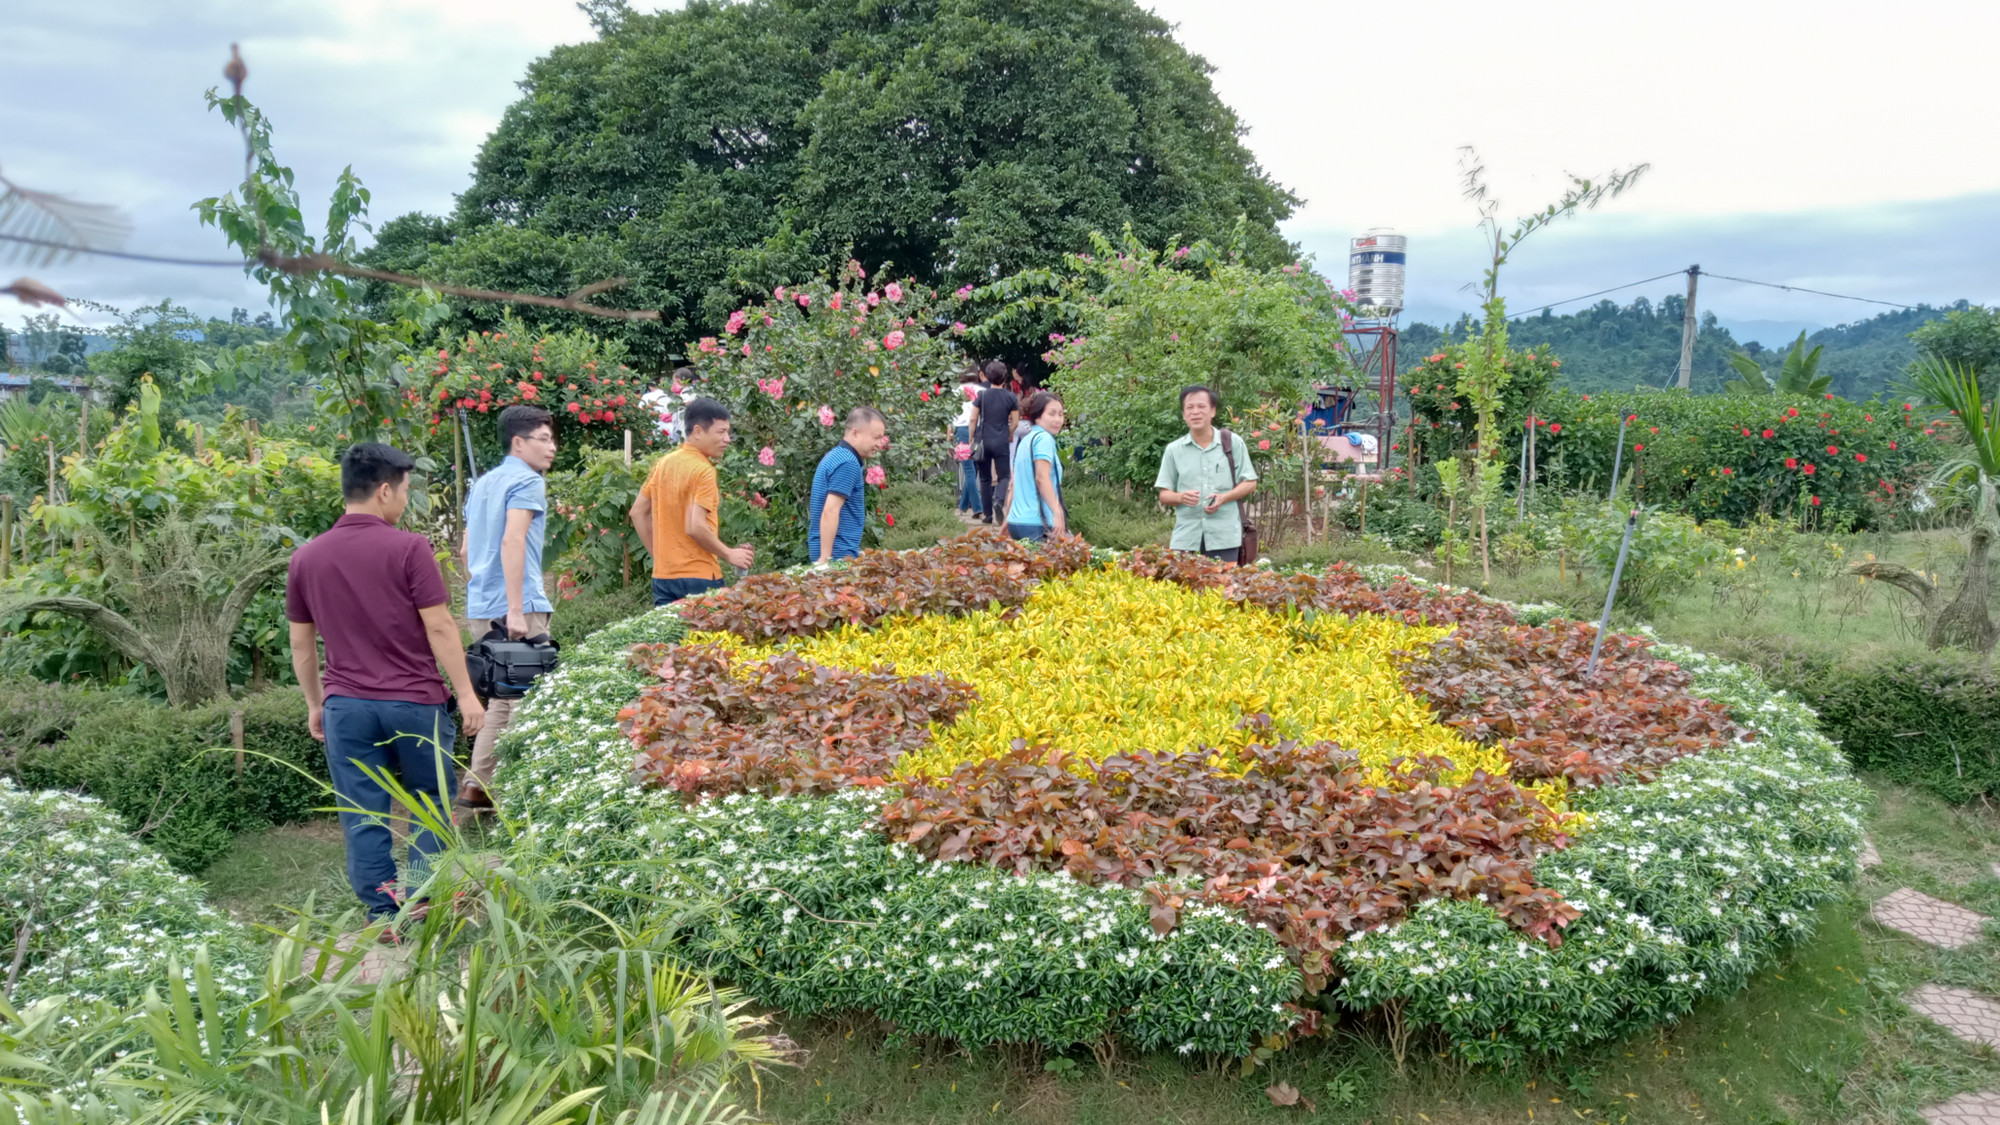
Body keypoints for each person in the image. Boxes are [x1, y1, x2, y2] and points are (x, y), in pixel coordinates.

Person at [285, 443, 485, 929]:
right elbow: (439, 626)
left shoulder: (306, 557)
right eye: (404, 491)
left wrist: (316, 703)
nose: (404, 500)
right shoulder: (409, 548)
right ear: (382, 491)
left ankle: (382, 913)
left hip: (346, 706)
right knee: (428, 801)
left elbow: (302, 644)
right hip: (413, 702)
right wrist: (465, 693)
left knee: (362, 809)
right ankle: (421, 900)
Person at [454, 404, 556, 816]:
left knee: (502, 697)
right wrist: (514, 608)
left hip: (482, 605)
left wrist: (485, 592)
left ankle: (479, 785)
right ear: (519, 442)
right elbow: (513, 542)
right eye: (544, 439)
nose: (552, 447)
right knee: (529, 699)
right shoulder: (527, 481)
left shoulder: (483, 484)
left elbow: (465, 550)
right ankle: (525, 799)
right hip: (518, 607)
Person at [630, 396, 754, 604]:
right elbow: (695, 526)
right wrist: (729, 554)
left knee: (668, 636)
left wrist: (660, 557)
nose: (727, 439)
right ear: (697, 432)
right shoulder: (703, 470)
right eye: (721, 432)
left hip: (664, 578)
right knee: (707, 636)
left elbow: (637, 513)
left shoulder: (663, 463)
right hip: (700, 577)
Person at [1154, 384, 1259, 563]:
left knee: (1224, 588)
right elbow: (1164, 494)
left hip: (1224, 537)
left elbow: (1250, 482)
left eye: (1201, 406)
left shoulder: (1232, 443)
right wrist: (1181, 497)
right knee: (1184, 589)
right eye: (1190, 407)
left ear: (1212, 411)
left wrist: (1224, 498)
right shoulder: (1174, 450)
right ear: (1184, 414)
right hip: (1186, 537)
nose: (1195, 412)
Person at [809, 406, 888, 563]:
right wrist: (825, 558)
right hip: (837, 556)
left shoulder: (835, 455)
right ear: (855, 433)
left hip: (836, 552)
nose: (880, 444)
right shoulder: (848, 463)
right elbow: (830, 511)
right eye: (876, 437)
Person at [1005, 391, 1067, 541]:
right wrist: (1057, 511)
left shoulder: (1026, 440)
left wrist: (1006, 520)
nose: (1058, 419)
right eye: (1051, 414)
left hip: (1017, 522)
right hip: (1037, 523)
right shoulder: (1044, 439)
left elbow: (1013, 484)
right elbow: (1041, 477)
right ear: (1037, 415)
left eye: (1060, 414)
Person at [972, 358, 1019, 524]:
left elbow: (973, 419)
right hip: (1001, 441)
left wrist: (971, 438)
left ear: (988, 377)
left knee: (984, 478)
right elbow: (1015, 421)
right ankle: (999, 500)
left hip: (984, 440)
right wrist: (1009, 433)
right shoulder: (1011, 397)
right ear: (1005, 377)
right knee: (1004, 475)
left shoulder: (981, 395)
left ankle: (988, 515)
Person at [951, 372, 981, 516]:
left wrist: (949, 436)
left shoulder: (955, 391)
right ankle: (963, 505)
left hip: (962, 430)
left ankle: (977, 507)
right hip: (978, 429)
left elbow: (950, 416)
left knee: (968, 470)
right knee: (974, 470)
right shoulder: (981, 391)